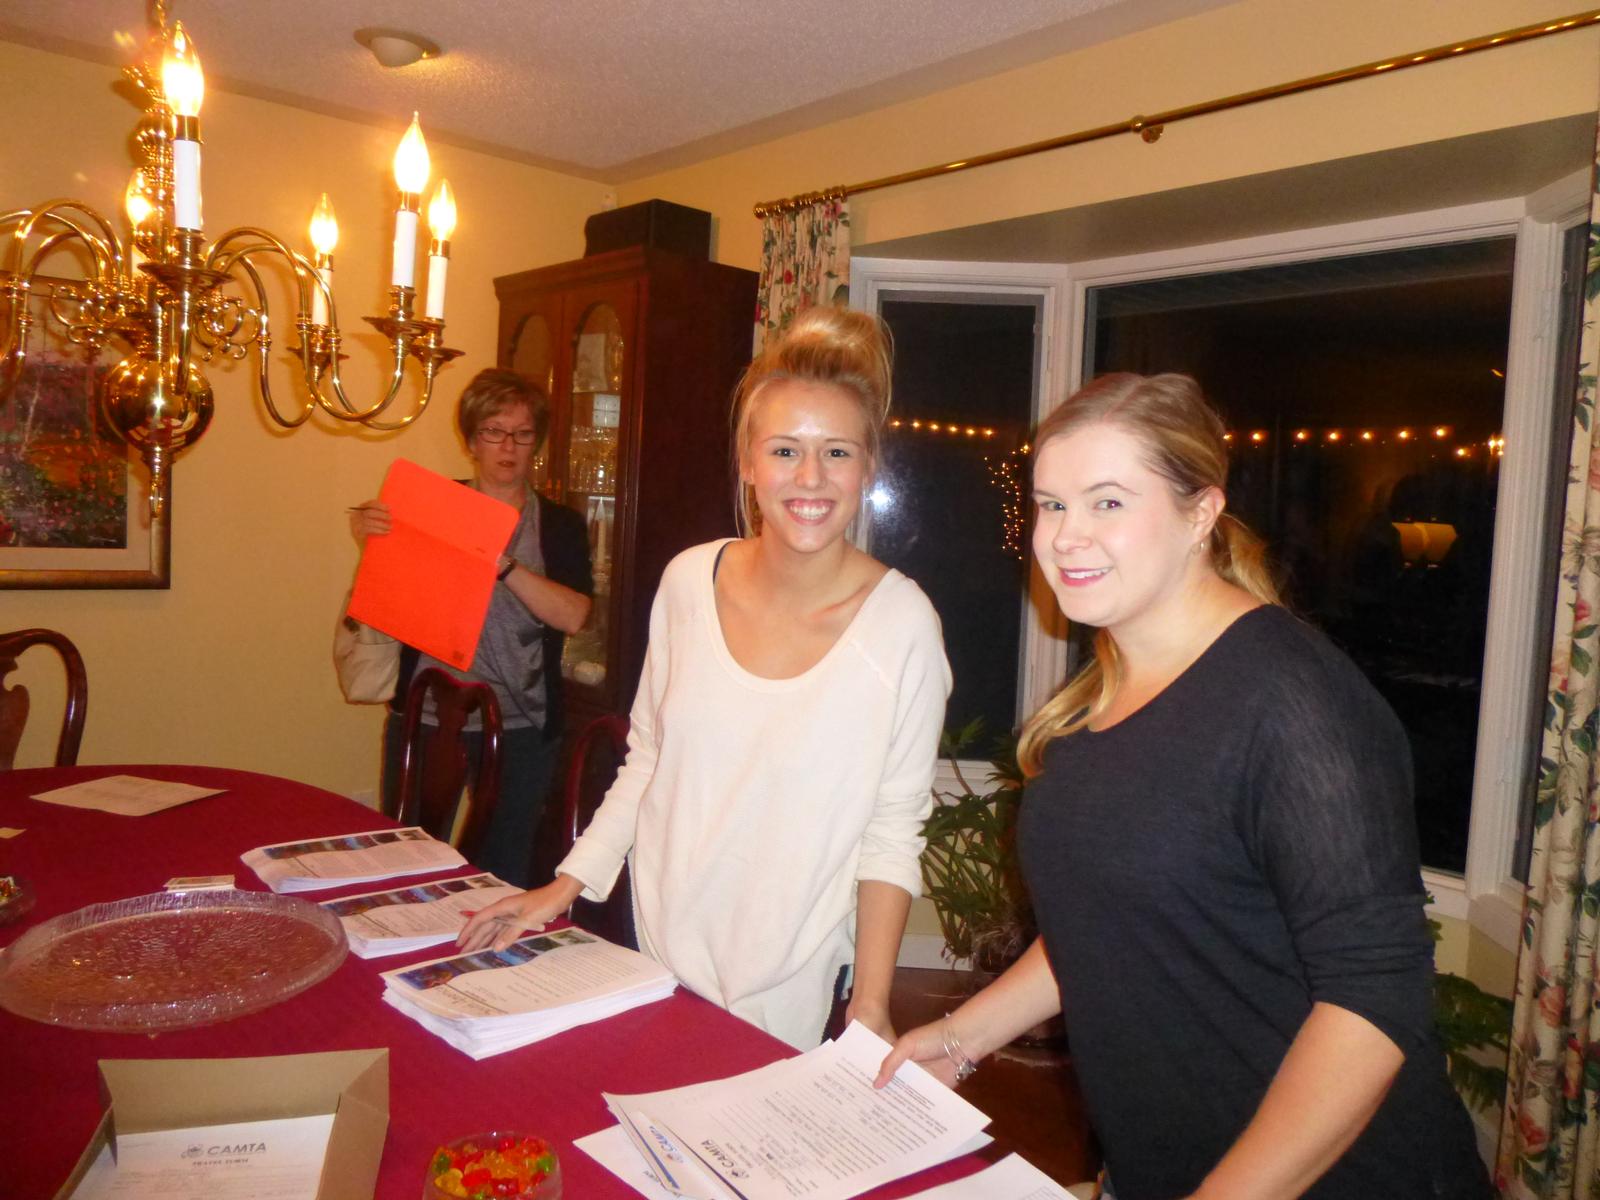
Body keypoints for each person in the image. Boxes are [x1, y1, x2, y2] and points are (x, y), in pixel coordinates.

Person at [876, 374, 1488, 1200]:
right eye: (1052, 505)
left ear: (1201, 513)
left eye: (1108, 502)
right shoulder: (1098, 695)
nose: (1066, 537)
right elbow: (1113, 917)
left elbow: (1375, 1002)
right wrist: (960, 1038)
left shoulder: (1295, 702)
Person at [459, 307, 951, 1050]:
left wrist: (872, 1001)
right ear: (748, 463)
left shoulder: (902, 625)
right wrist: (565, 886)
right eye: (784, 450)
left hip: (790, 978)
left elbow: (892, 827)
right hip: (654, 942)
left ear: (868, 467)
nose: (810, 478)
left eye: (837, 452)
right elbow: (650, 758)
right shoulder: (690, 581)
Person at [349, 368, 593, 887]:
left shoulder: (560, 525)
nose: (508, 446)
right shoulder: (432, 507)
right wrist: (370, 537)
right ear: (471, 440)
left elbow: (573, 615)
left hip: (522, 723)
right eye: (493, 431)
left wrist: (502, 563)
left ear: (537, 443)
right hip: (428, 715)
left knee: (503, 874)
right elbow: (387, 594)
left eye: (522, 434)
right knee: (408, 865)